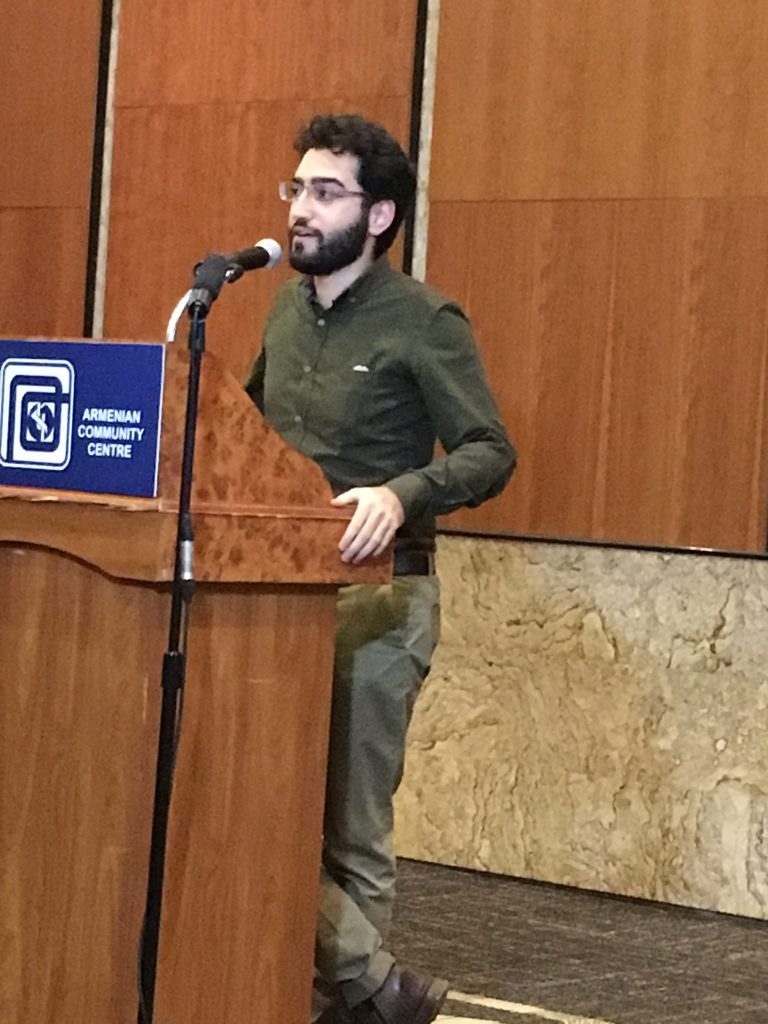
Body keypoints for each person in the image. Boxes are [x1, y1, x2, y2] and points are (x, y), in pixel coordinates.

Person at [245, 113, 516, 1024]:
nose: (300, 208)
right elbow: (243, 431)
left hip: (382, 597)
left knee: (349, 826)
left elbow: (491, 450)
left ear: (379, 215)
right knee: (256, 794)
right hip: (273, 594)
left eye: (326, 192)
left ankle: (343, 1007)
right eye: (297, 188)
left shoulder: (425, 320)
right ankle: (372, 991)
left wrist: (403, 493)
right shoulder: (284, 312)